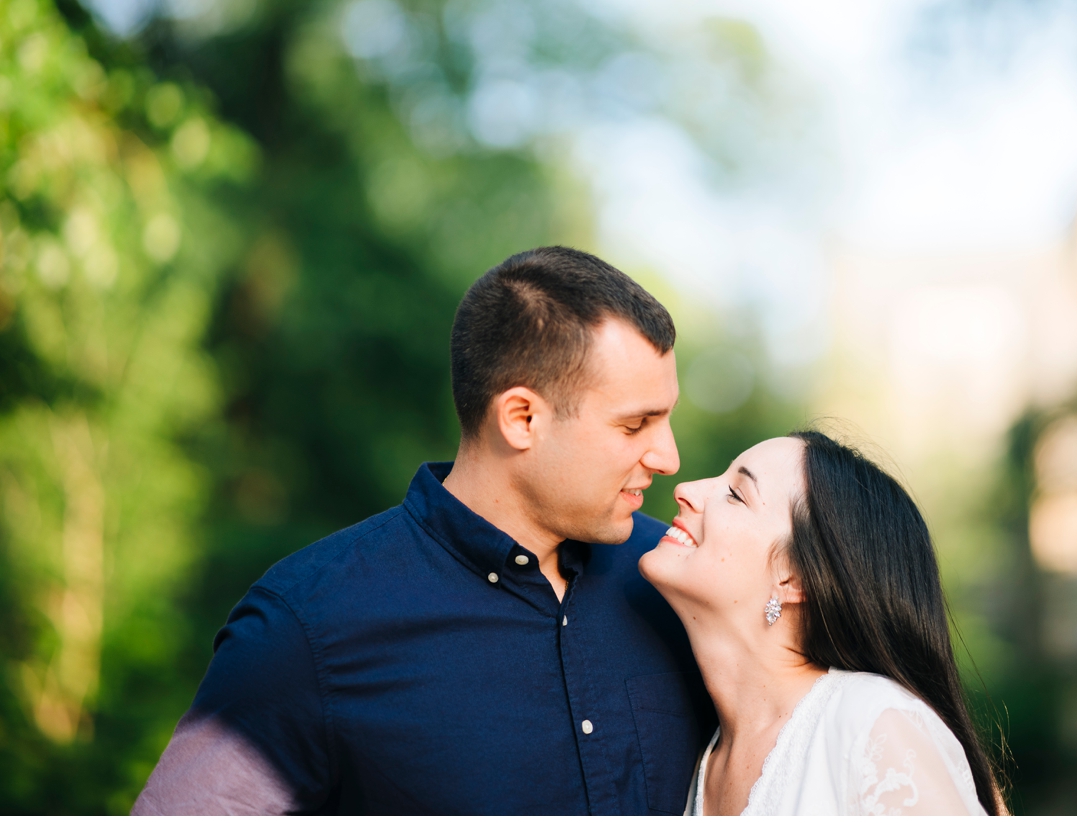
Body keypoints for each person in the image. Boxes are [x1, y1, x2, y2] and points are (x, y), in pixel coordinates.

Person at [133, 246, 715, 814]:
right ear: (522, 418)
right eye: (636, 424)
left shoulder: (677, 579)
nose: (668, 456)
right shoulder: (308, 627)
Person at [640, 430, 1006, 816]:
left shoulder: (871, 726)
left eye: (735, 494)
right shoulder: (700, 763)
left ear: (793, 577)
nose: (685, 490)